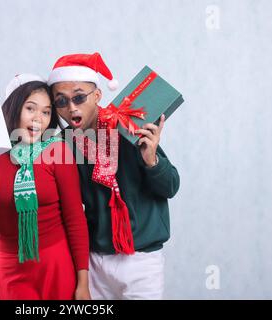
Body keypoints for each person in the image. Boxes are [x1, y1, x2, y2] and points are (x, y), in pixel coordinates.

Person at [47, 53, 180, 299]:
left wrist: (152, 160)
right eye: (61, 101)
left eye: (78, 97)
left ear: (97, 95)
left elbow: (171, 186)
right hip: (96, 261)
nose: (71, 108)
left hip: (142, 260)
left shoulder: (126, 124)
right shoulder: (63, 145)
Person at [0, 74, 90, 300]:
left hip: (57, 268)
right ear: (14, 108)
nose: (39, 118)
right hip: (13, 271)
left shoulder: (57, 152)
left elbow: (75, 219)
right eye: (31, 108)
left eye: (46, 112)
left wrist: (83, 284)